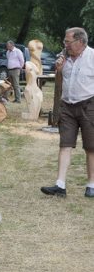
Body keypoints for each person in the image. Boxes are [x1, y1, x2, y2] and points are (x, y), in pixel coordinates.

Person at [41, 27, 94, 198]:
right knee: (64, 144)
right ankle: (60, 185)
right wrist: (59, 69)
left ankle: (91, 185)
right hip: (68, 106)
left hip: (89, 105)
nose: (65, 45)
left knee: (91, 147)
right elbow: (59, 82)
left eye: (68, 41)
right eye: (65, 41)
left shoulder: (92, 56)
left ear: (80, 42)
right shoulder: (63, 58)